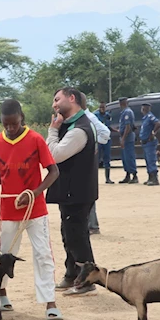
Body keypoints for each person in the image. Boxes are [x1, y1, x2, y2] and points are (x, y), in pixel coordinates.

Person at [0, 99, 62, 320]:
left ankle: (50, 302)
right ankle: (1, 293)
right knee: (3, 255)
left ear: (21, 117)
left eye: (14, 124)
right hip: (9, 211)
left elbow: (53, 172)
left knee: (43, 254)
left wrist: (33, 192)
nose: (10, 129)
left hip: (35, 210)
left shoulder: (35, 139)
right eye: (6, 125)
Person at [46, 87, 98, 296]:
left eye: (57, 99)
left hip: (76, 191)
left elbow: (54, 155)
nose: (54, 104)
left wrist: (52, 130)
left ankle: (87, 281)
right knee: (69, 233)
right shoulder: (72, 125)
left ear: (72, 98)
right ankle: (72, 274)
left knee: (77, 236)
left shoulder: (79, 129)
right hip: (71, 191)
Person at [82, 93, 110, 236]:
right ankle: (88, 224)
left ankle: (93, 226)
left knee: (87, 192)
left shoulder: (90, 118)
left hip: (87, 159)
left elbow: (105, 133)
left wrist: (92, 142)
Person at [139, 102, 160, 186]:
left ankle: (154, 179)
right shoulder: (145, 118)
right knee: (148, 161)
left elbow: (158, 124)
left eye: (143, 108)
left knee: (151, 160)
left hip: (150, 143)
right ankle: (150, 177)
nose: (142, 109)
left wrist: (153, 133)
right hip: (145, 142)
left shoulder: (150, 116)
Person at [117, 97, 137, 184]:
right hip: (124, 137)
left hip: (128, 138)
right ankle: (128, 175)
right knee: (125, 158)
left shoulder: (127, 112)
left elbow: (128, 127)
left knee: (129, 157)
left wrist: (123, 139)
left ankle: (134, 176)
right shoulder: (123, 112)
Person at [94, 102, 114, 184]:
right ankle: (94, 179)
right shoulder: (95, 115)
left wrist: (115, 130)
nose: (102, 109)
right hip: (98, 139)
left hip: (106, 139)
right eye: (101, 107)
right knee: (96, 159)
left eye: (104, 107)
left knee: (107, 158)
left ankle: (108, 178)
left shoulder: (108, 116)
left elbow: (108, 127)